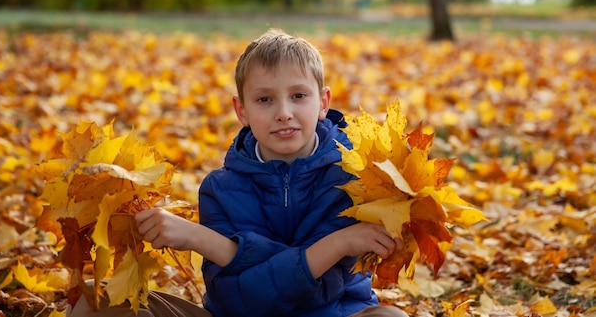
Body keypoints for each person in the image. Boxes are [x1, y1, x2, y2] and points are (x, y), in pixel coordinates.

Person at [69, 29, 407, 317]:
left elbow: (318, 294)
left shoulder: (355, 179)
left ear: (322, 102)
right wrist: (335, 245)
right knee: (91, 303)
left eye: (299, 96)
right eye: (265, 100)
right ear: (241, 110)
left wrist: (204, 241)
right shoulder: (220, 188)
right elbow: (237, 299)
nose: (284, 113)